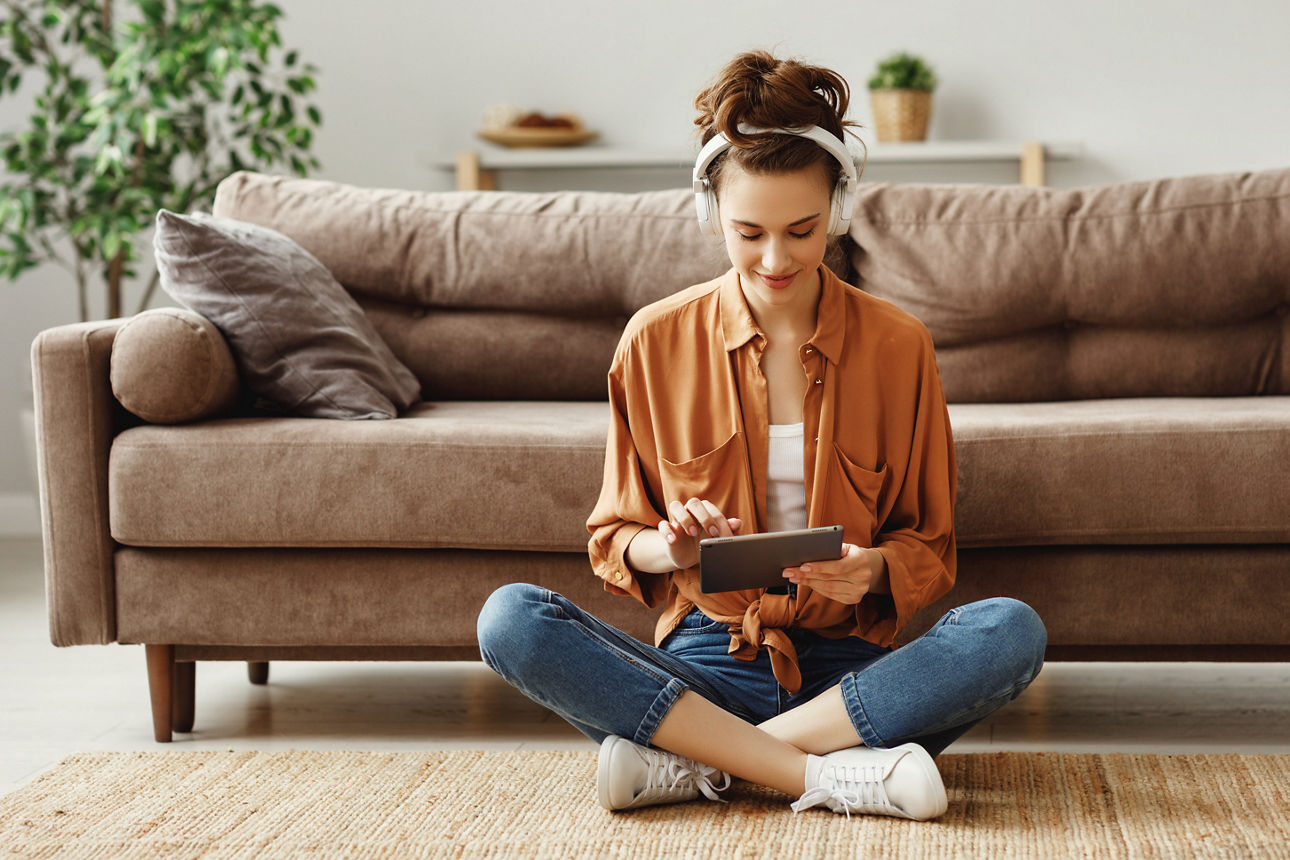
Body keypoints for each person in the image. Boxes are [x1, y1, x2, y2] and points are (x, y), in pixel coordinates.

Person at [477, 49, 1047, 820]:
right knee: (510, 620)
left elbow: (930, 546)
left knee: (1009, 631)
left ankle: (701, 765)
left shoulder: (899, 345)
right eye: (749, 233)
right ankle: (831, 776)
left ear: (839, 212)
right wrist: (672, 547)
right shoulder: (653, 342)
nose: (776, 259)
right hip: (707, 663)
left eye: (802, 231)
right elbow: (617, 537)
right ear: (713, 213)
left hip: (853, 679)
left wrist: (873, 571)